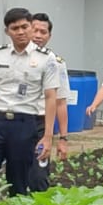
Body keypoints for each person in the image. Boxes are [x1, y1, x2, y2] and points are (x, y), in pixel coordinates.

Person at [0, 8, 57, 205]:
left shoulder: (46, 59)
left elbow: (51, 97)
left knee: (18, 180)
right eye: (14, 28)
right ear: (7, 31)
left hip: (24, 123)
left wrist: (48, 136)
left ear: (31, 27)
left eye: (24, 26)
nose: (20, 32)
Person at [29, 12, 70, 166]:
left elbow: (60, 102)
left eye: (43, 32)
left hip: (41, 123)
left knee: (38, 175)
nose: (38, 35)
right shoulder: (9, 58)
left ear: (49, 36)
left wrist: (63, 138)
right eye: (35, 30)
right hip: (14, 123)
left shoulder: (56, 63)